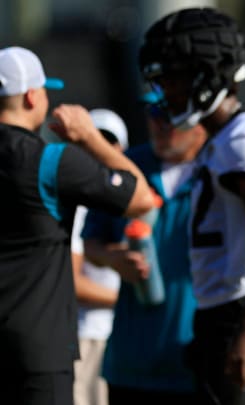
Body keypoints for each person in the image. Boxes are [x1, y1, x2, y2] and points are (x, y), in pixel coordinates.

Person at [0, 46, 153, 405]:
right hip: (39, 352)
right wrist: (89, 136)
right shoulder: (51, 160)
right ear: (31, 96)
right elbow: (141, 198)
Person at [138, 7, 245, 405]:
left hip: (239, 315)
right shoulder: (220, 139)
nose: (166, 91)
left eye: (173, 78)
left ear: (206, 75)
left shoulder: (240, 142)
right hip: (218, 314)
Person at [81, 101, 207, 404]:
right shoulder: (127, 168)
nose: (160, 124)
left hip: (200, 363)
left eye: (170, 114)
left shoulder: (225, 170)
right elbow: (90, 242)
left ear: (202, 120)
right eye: (154, 114)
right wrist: (113, 258)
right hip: (132, 363)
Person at [71, 108, 129, 405]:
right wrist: (128, 299)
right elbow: (73, 284)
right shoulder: (76, 205)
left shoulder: (132, 202)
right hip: (90, 337)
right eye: (92, 141)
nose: (101, 150)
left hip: (124, 336)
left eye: (109, 142)